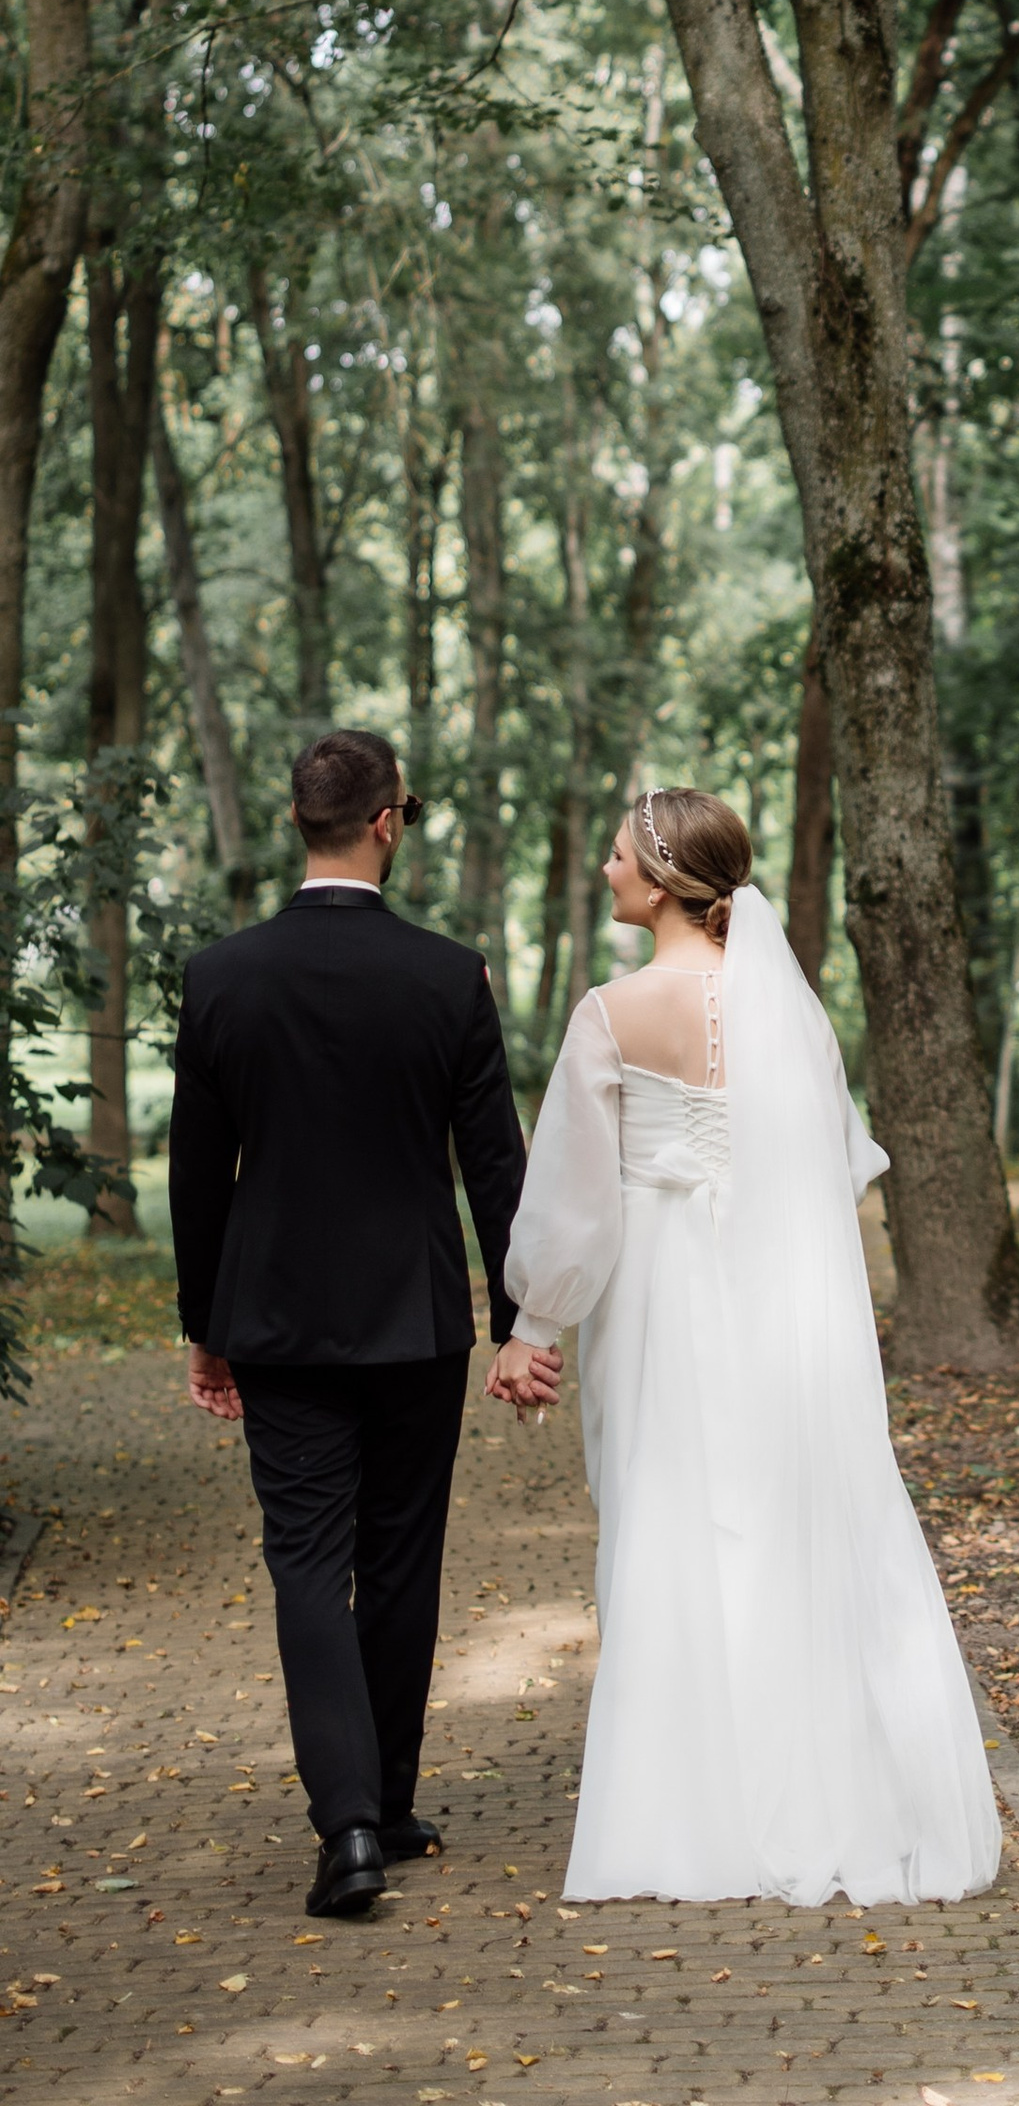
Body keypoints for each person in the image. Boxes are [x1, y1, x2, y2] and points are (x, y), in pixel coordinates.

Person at [492, 788, 1002, 1908]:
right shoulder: (789, 1010)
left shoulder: (612, 1011)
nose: (607, 868)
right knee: (785, 1519)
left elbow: (575, 1204)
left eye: (620, 853)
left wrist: (534, 1323)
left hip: (658, 1296)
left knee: (670, 1511)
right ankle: (825, 1785)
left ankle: (689, 1808)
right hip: (776, 1294)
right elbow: (838, 1167)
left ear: (663, 877)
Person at [169, 729, 552, 1920]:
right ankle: (378, 1798)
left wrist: (203, 1320)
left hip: (276, 1314)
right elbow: (496, 1166)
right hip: (413, 1317)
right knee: (397, 1557)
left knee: (302, 1557)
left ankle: (353, 1822)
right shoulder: (450, 975)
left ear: (302, 820)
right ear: (388, 820)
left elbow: (197, 1170)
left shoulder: (221, 974)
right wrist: (517, 1315)